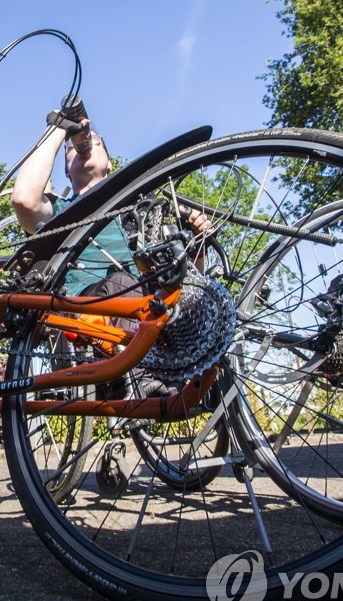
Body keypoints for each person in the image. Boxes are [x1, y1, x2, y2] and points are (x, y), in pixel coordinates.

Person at [11, 105, 212, 397]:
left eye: (96, 140)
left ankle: (207, 384)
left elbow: (188, 282)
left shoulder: (140, 213)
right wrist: (60, 127)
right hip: (90, 310)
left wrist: (198, 248)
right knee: (123, 283)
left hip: (149, 309)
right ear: (67, 171)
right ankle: (142, 378)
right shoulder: (61, 211)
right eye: (71, 148)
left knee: (197, 299)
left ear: (109, 164)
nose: (85, 142)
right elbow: (24, 200)